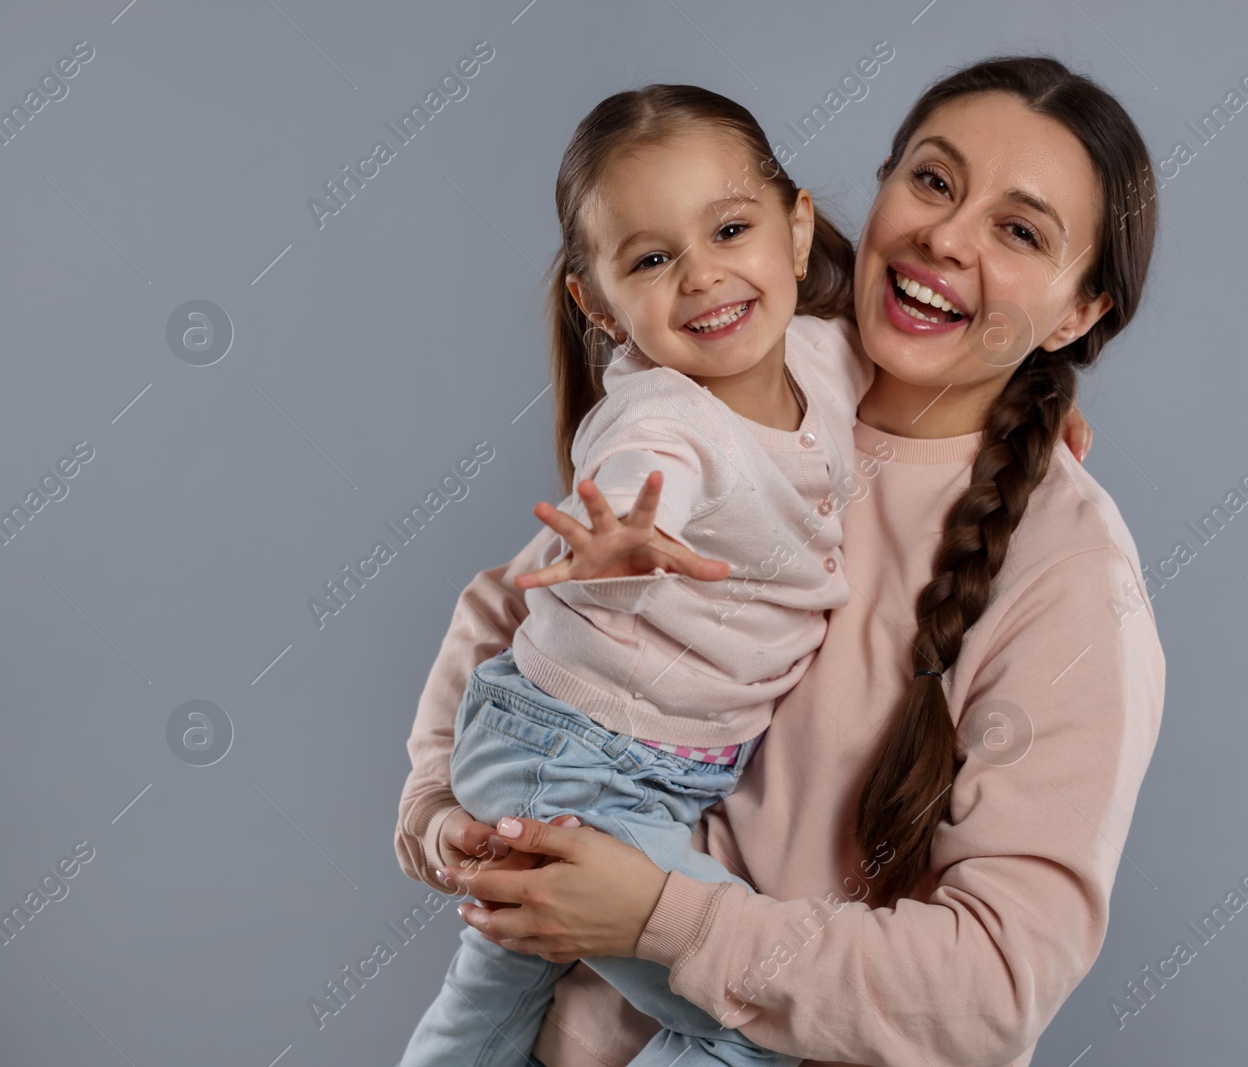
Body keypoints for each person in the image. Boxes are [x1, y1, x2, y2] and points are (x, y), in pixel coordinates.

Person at [397, 55, 1165, 1067]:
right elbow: (520, 608)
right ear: (880, 186)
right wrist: (435, 809)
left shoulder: (1069, 576)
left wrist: (660, 916)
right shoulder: (753, 378)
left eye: (1018, 231)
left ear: (1078, 313)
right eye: (932, 181)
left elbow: (989, 989)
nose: (944, 235)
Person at [399, 83, 875, 1066]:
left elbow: (939, 386)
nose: (701, 276)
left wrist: (1036, 427)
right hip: (577, 762)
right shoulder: (660, 418)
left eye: (730, 229)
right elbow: (639, 470)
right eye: (652, 258)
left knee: (492, 994)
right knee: (754, 1011)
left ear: (796, 232)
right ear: (598, 302)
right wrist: (614, 538)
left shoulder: (824, 360)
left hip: (627, 763)